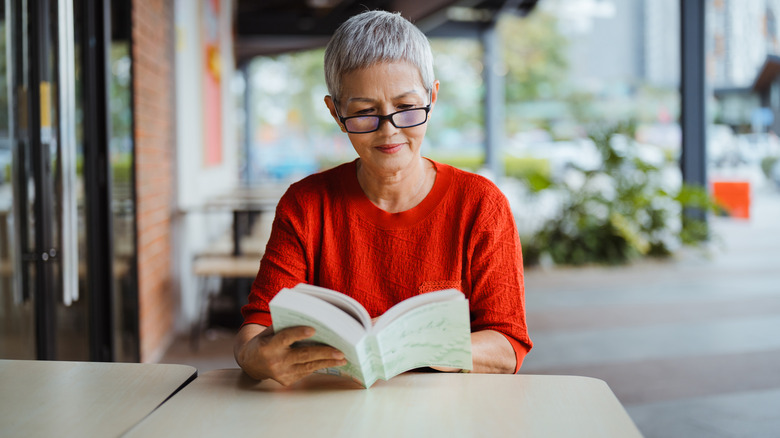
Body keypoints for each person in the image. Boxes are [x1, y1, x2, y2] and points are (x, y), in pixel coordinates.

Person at [234, 10, 532, 386]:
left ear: (432, 98)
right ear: (335, 112)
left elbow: (507, 347)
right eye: (364, 113)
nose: (389, 131)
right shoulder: (305, 204)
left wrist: (416, 346)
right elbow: (256, 326)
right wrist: (254, 358)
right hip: (333, 410)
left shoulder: (480, 204)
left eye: (407, 108)